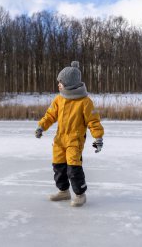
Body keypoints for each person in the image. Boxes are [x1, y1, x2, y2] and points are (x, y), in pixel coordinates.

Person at [35, 61, 104, 207]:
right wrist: (41, 126)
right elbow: (50, 115)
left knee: (73, 168)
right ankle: (63, 191)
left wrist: (98, 137)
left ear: (70, 83)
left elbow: (94, 121)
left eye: (61, 82)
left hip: (75, 140)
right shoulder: (59, 99)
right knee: (58, 166)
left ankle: (80, 194)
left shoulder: (85, 102)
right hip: (59, 139)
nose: (58, 85)